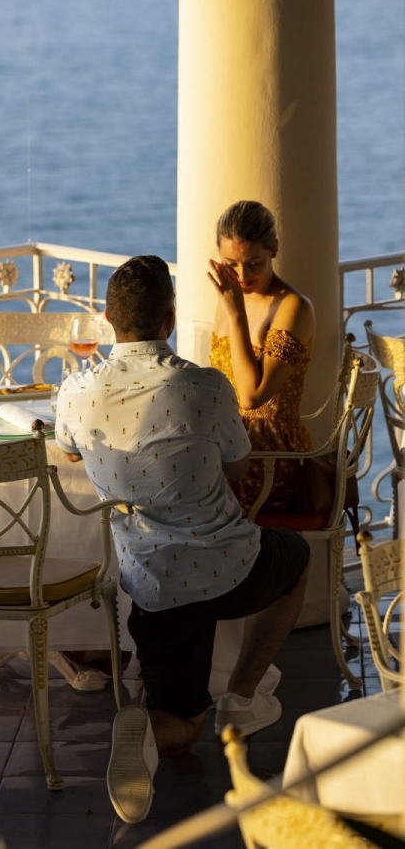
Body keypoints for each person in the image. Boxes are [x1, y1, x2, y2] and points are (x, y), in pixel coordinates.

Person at [55, 255, 310, 824]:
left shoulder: (75, 392)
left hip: (155, 585)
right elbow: (240, 469)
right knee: (295, 560)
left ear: (105, 318)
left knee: (181, 726)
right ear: (170, 320)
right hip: (233, 566)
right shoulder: (205, 386)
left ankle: (144, 729)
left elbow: (71, 448)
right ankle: (242, 698)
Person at [208, 200, 316, 514]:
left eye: (254, 262)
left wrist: (237, 315)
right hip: (227, 441)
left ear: (274, 249)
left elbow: (252, 398)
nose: (242, 275)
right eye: (231, 263)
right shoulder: (229, 297)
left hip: (269, 457)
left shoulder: (294, 307)